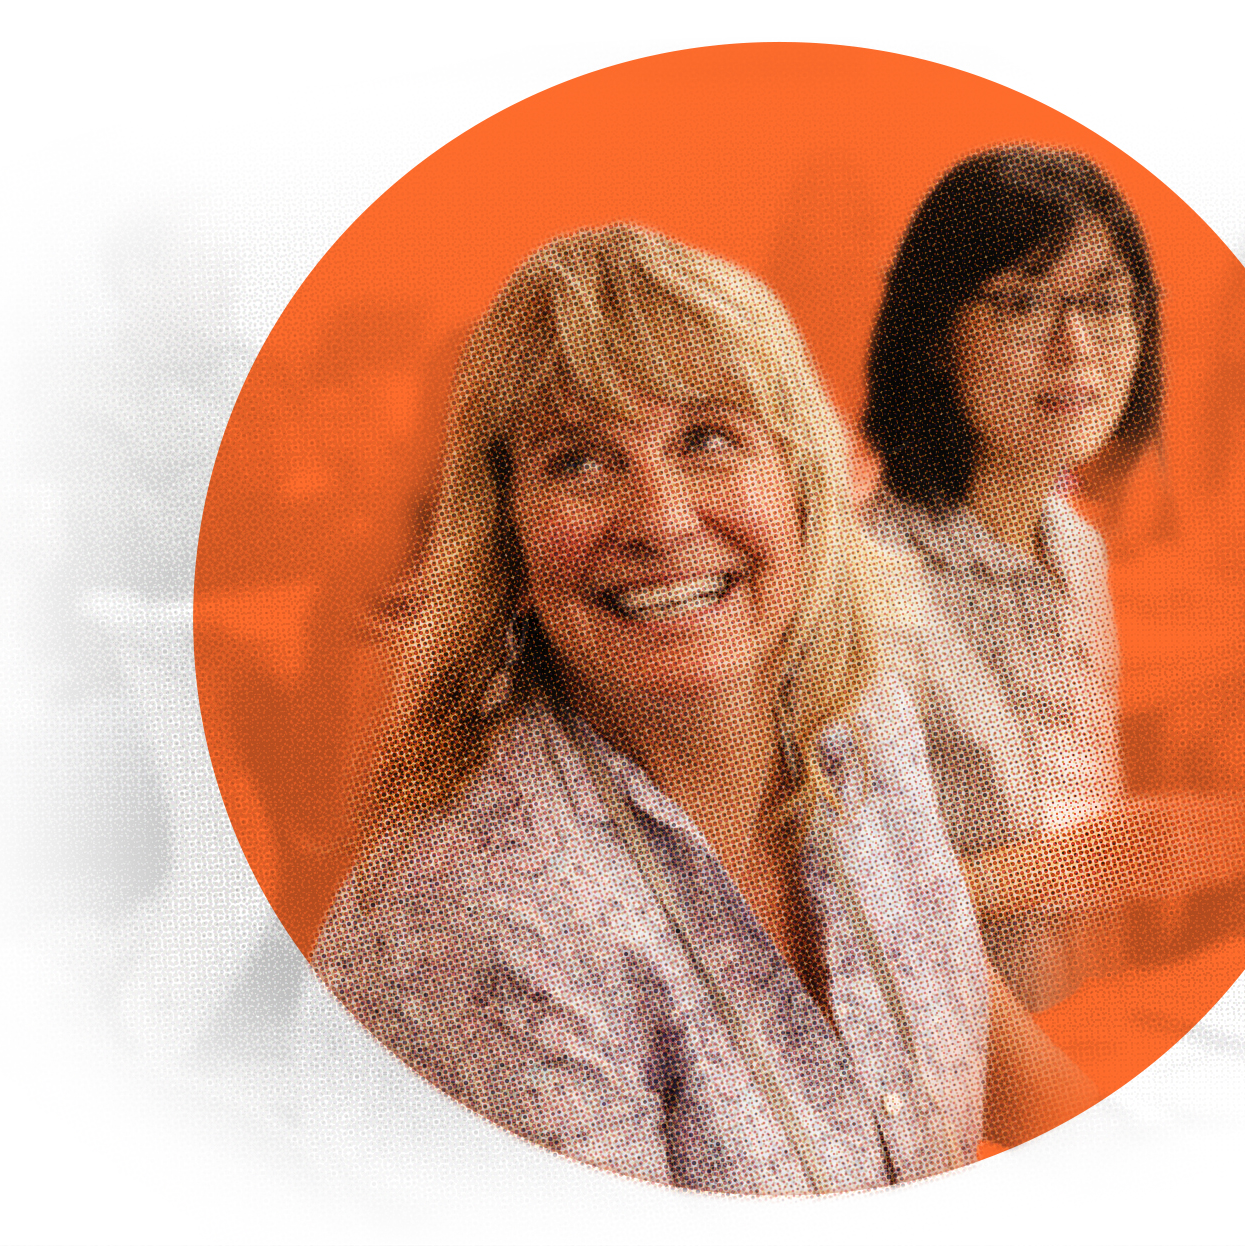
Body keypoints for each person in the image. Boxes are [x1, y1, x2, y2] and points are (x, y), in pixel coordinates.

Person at [308, 223, 1097, 1195]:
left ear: (806, 488)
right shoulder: (489, 920)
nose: (661, 519)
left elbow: (947, 978)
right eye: (580, 463)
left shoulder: (857, 707)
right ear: (509, 542)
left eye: (709, 439)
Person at [863, 146, 1224, 1009]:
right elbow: (847, 914)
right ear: (935, 338)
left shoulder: (1075, 547)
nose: (1075, 347)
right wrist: (1107, 858)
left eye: (1103, 304)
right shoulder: (864, 582)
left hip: (1086, 1027)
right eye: (1023, 304)